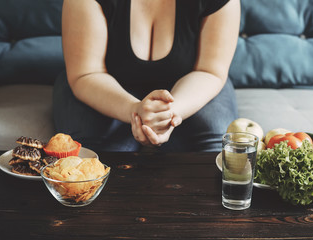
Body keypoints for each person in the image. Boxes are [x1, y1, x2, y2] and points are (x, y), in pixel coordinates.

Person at [53, 0, 240, 152]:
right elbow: (86, 73)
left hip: (192, 88)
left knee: (216, 149)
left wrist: (169, 115)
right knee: (93, 161)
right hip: (103, 87)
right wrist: (135, 111)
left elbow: (210, 71)